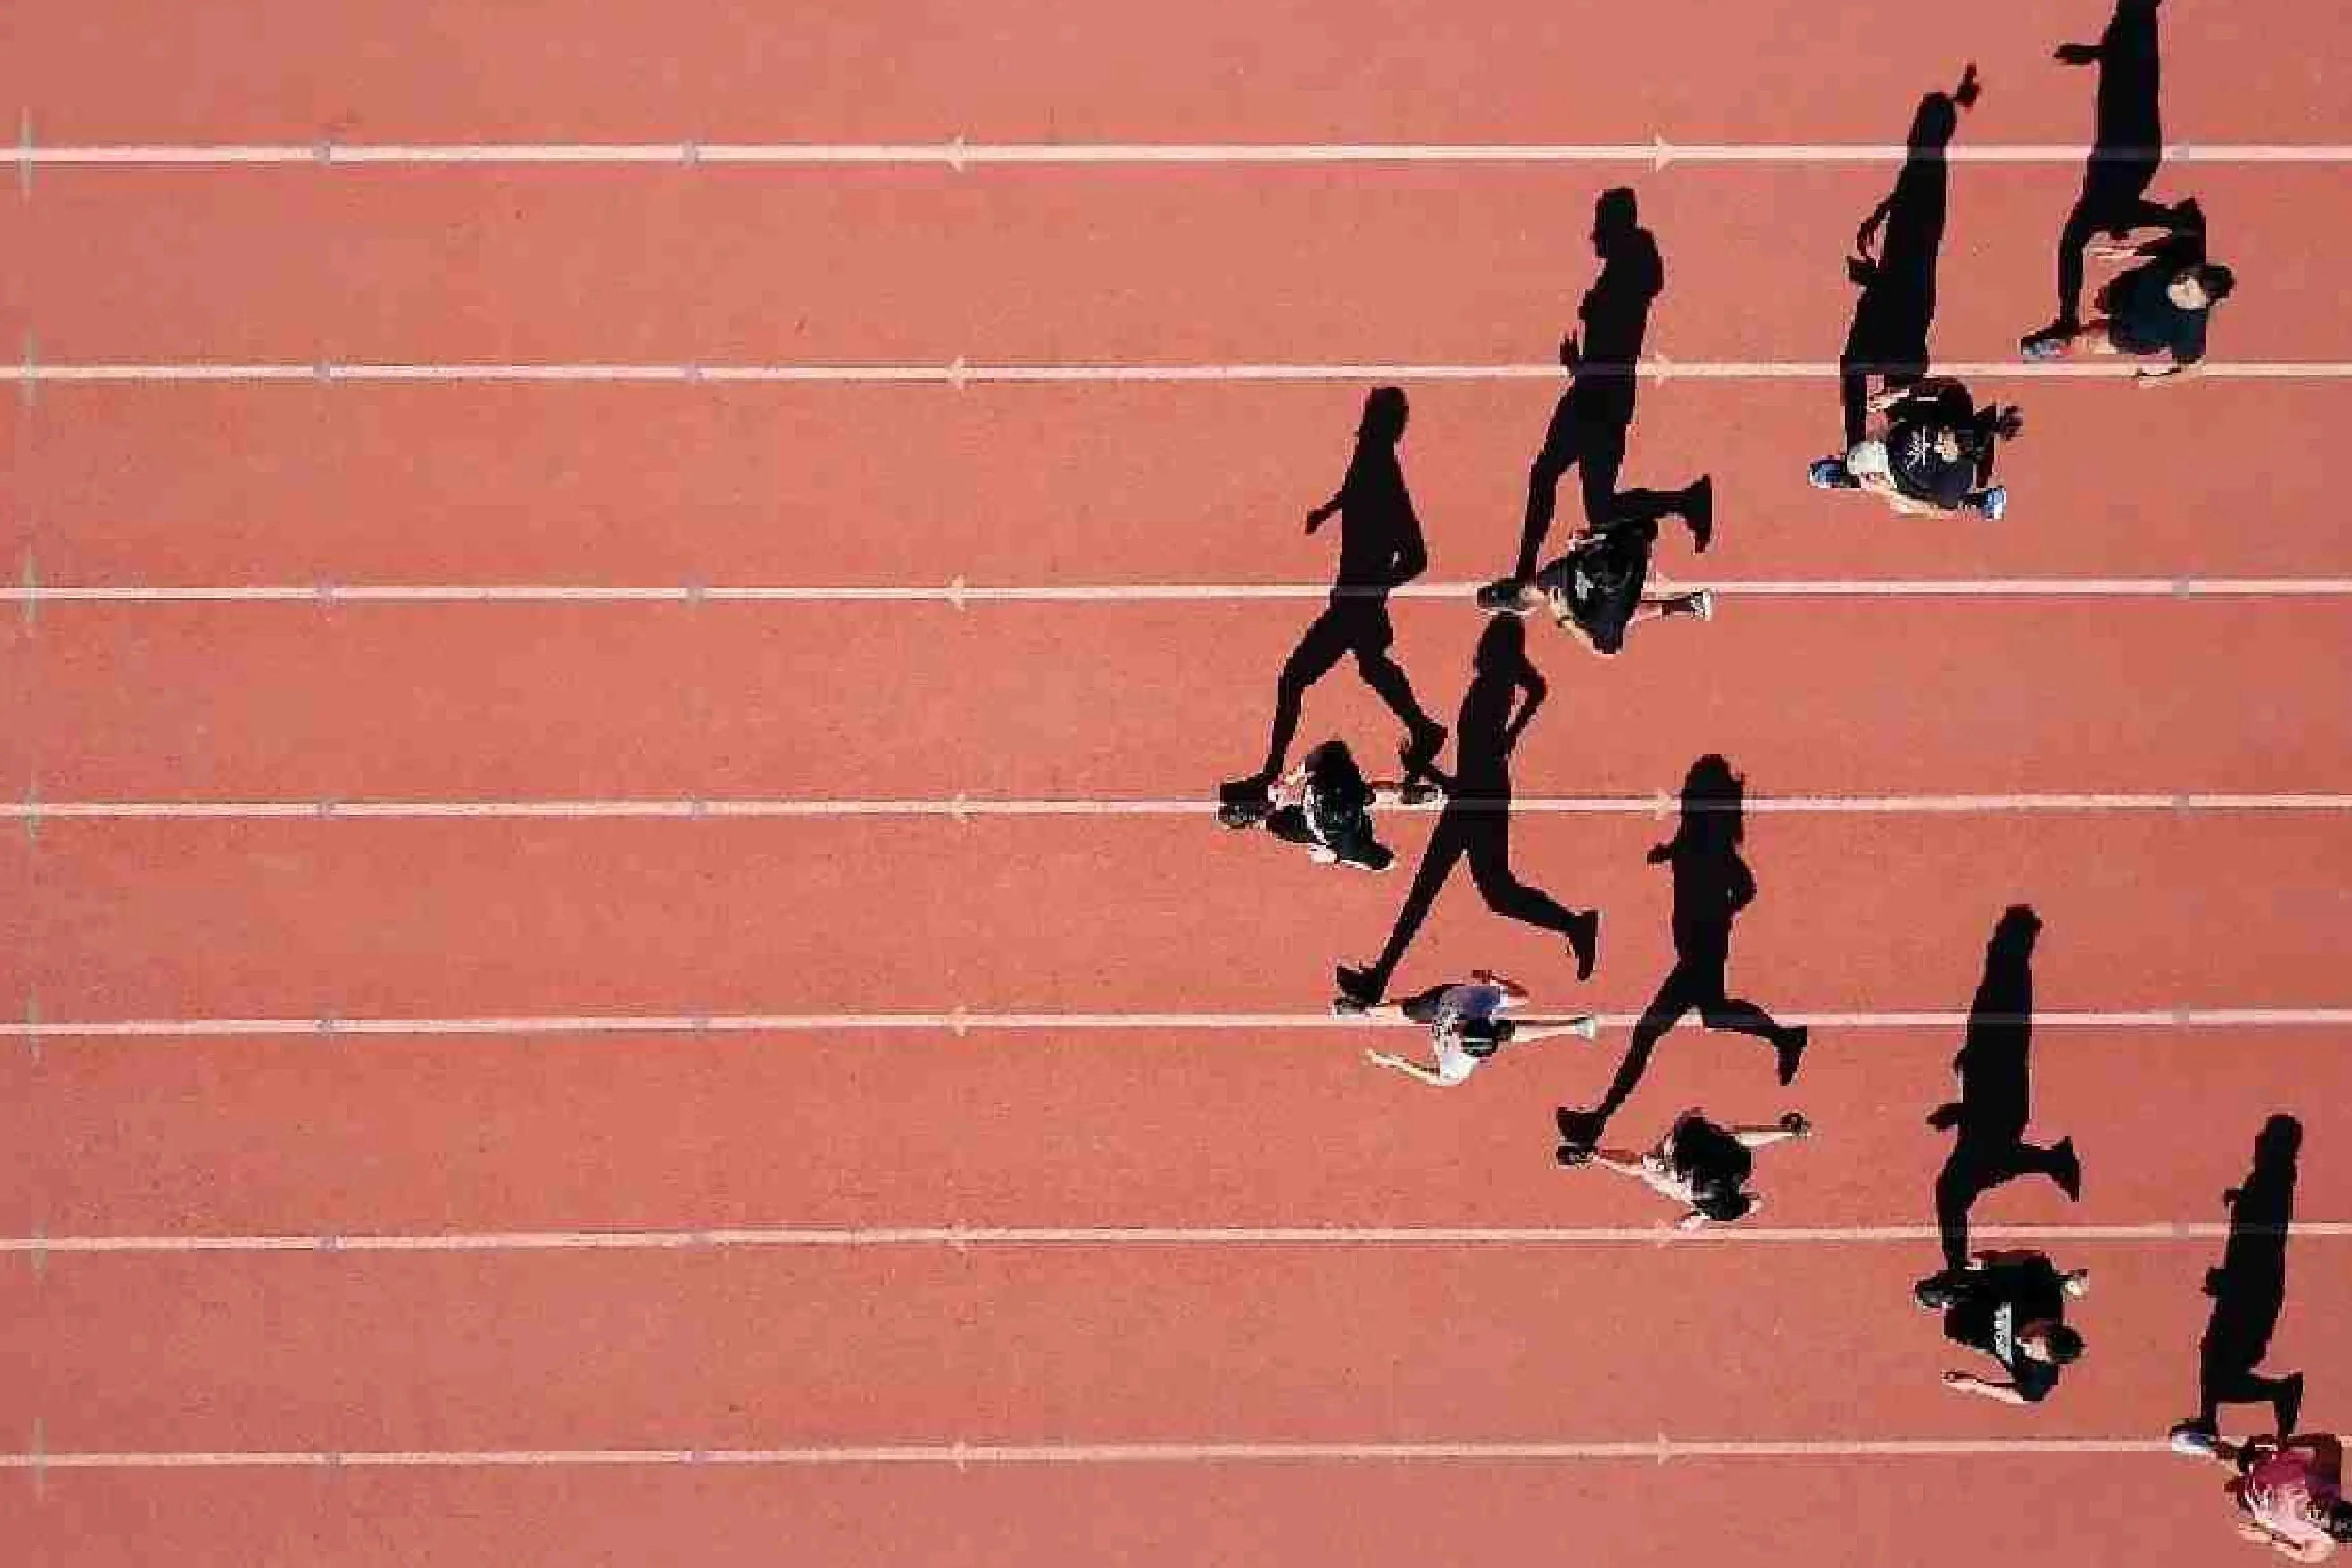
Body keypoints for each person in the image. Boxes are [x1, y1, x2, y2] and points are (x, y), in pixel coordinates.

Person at [1553, 756, 1808, 1152]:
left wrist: (1718, 915)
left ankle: (1597, 1121)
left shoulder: (1715, 847)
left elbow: (1746, 889)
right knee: (1712, 1015)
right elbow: (1700, 862)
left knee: (1647, 1035)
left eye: (1691, 787)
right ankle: (1784, 1038)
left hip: (1700, 953)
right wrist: (1667, 855)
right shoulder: (1694, 836)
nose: (1684, 793)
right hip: (1697, 948)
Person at [1221, 387, 1449, 817]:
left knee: (1293, 680)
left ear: (1382, 424)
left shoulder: (1382, 470)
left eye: (1371, 415)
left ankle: (1270, 775)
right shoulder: (1368, 459)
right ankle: (1423, 728)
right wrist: (1327, 512)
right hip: (1354, 600)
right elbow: (1354, 492)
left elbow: (1417, 557)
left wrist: (1374, 588)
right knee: (1372, 666)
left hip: (1353, 604)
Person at [1478, 189, 1710, 610]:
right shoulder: (1627, 271)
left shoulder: (1625, 277)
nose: (1593, 238)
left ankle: (1523, 578)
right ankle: (1686, 501)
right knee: (1586, 500)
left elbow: (1616, 345)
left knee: (1556, 481)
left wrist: (1577, 367)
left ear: (1617, 228)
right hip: (1599, 391)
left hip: (1599, 395)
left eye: (1600, 227)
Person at [2019, 0, 2210, 368]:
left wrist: (2156, 241)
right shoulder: (2103, 211)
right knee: (2135, 74)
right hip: (2128, 149)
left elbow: (2184, 221)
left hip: (2134, 153)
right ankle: (2066, 319)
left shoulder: (2113, 210)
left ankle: (2067, 320)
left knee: (2135, 74)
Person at [2025, 203, 2233, 383]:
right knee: (2103, 300)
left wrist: (2156, 381)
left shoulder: (2190, 331)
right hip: (2133, 290)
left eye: (2187, 291)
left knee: (2083, 342)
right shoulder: (2189, 254)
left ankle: (2055, 348)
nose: (2178, 284)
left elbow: (2193, 370)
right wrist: (2131, 251)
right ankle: (2105, 310)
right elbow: (2174, 242)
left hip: (2133, 335)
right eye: (2184, 275)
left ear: (2202, 302)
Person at [1497, 509, 1713, 657]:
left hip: (1593, 608)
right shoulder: (1632, 540)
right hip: (1620, 587)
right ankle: (1688, 604)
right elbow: (1640, 528)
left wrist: (1564, 617)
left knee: (1598, 615)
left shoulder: (1607, 615)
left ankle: (1523, 598)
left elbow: (1603, 649)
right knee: (1618, 615)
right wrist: (1587, 537)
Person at [1557, 1107, 1810, 1227]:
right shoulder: (1736, 1167)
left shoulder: (1731, 1173)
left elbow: (1685, 1123)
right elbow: (1755, 1202)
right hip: (1693, 1185)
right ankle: (1790, 1131)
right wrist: (1699, 1218)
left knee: (1644, 1167)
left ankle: (1596, 1156)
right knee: (1645, 1168)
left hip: (1689, 1180)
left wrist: (1667, 1150)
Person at [1810, 378, 2022, 519]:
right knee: (1904, 407)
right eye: (1943, 435)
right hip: (1900, 433)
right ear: (1953, 426)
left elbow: (1938, 512)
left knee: (1859, 461)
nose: (1936, 444)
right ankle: (1978, 500)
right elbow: (1942, 386)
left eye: (1943, 449)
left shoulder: (1956, 480)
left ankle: (1845, 474)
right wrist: (1896, 395)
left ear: (1958, 459)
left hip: (1899, 476)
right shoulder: (1957, 405)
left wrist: (1889, 492)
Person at [1345, 968, 1598, 1087]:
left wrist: (1400, 1064)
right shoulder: (1480, 1001)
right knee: (1409, 1010)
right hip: (1446, 1002)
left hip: (1442, 1000)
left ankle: (1364, 1009)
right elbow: (1440, 1080)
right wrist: (1400, 1064)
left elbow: (1443, 1079)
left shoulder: (1478, 1003)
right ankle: (1574, 1028)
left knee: (1411, 1008)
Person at [1220, 738, 1431, 872]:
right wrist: (1291, 779)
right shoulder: (1333, 787)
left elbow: (1388, 863)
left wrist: (1335, 858)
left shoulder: (1344, 845)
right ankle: (1405, 793)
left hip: (1342, 832)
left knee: (1283, 827)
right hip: (1349, 823)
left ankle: (1257, 817)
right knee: (1372, 792)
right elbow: (1330, 750)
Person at [1922, 1248, 2088, 1405]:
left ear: (2047, 1361)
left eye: (2029, 1350)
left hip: (1973, 1331)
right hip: (1980, 1293)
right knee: (1930, 1292)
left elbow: (2025, 1396)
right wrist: (1992, 1261)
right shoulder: (2041, 1291)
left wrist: (1977, 1386)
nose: (2020, 1341)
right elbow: (2035, 1258)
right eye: (2029, 1336)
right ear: (2047, 1323)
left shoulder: (2041, 1376)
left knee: (1953, 1328)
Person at [2170, 1431, 2352, 1562]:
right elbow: (2328, 1442)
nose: (2317, 1509)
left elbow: (2303, 1555)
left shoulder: (2320, 1546)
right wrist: (2284, 1443)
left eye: (2319, 1518)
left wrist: (2268, 1538)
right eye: (2327, 1505)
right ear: (2337, 1500)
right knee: (2237, 1459)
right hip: (2274, 1470)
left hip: (2261, 1504)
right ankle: (2209, 1446)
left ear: (2327, 1533)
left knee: (2230, 1491)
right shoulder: (2325, 1474)